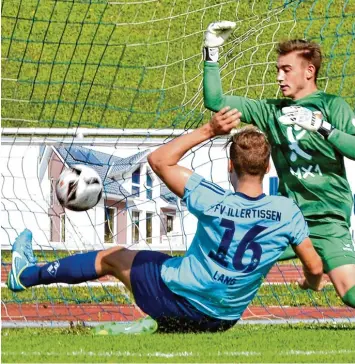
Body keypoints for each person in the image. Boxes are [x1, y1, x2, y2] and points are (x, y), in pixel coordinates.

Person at [7, 108, 324, 334]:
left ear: (230, 164)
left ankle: (25, 275)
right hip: (224, 319)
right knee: (167, 263)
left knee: (113, 258)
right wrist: (309, 284)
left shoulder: (211, 198)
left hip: (176, 300)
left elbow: (159, 160)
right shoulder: (286, 212)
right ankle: (161, 325)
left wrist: (209, 130)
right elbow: (314, 267)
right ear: (268, 168)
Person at [202, 21, 355, 308]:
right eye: (278, 70)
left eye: (286, 70)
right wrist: (211, 51)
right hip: (285, 218)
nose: (278, 77)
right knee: (223, 262)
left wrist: (322, 128)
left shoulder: (334, 106)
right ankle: (188, 311)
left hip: (328, 218)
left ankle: (314, 273)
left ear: (309, 72)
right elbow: (216, 100)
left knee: (350, 295)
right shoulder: (271, 110)